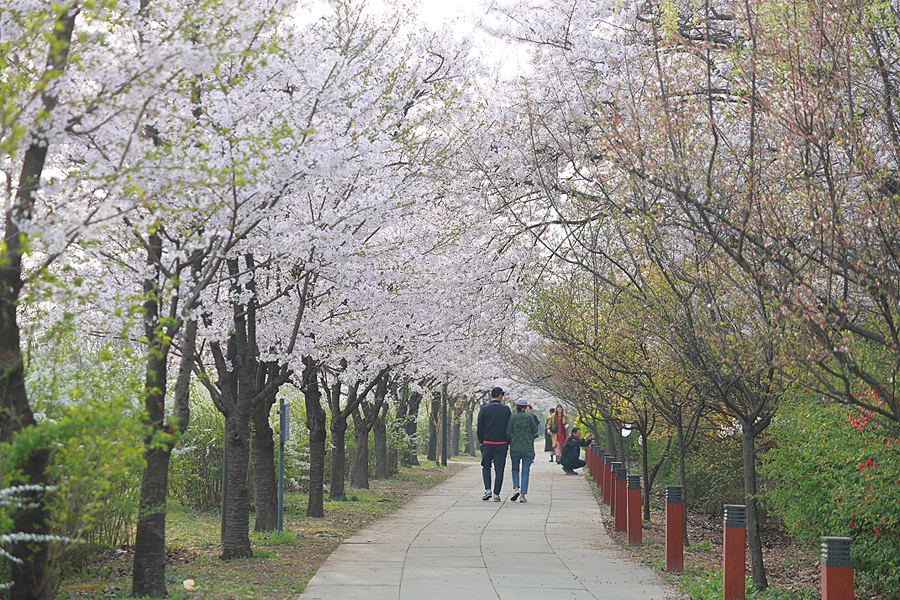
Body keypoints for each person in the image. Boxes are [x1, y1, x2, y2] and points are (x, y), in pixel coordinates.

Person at [477, 387, 511, 501]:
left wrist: (481, 441)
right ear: (500, 395)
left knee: (486, 467)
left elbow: (480, 427)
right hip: (501, 443)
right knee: (499, 469)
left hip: (487, 442)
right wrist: (508, 441)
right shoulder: (506, 409)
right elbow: (508, 427)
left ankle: (487, 490)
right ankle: (496, 494)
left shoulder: (484, 409)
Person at [507, 399, 538, 503]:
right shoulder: (529, 417)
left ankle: (516, 488)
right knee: (525, 471)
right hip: (528, 447)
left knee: (515, 469)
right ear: (526, 407)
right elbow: (535, 430)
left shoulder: (512, 417)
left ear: (516, 406)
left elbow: (508, 432)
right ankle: (523, 495)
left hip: (515, 446)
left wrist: (508, 443)